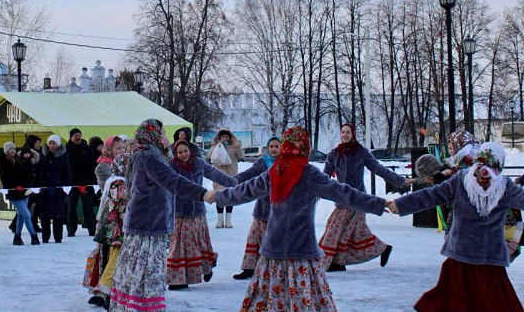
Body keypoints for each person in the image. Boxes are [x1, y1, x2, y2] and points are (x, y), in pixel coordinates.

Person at [208, 126, 388, 312]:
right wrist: (379, 204)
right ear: (304, 147)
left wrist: (219, 197)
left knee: (270, 298)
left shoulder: (276, 171)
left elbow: (246, 190)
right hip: (301, 252)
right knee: (304, 300)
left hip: (274, 252)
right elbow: (344, 193)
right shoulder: (308, 173)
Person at [388, 142, 524, 312]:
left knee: (455, 302)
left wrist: (401, 204)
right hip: (490, 258)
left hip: (461, 254)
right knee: (495, 304)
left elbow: (432, 195)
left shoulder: (463, 178)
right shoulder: (504, 185)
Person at [109, 119, 208, 312]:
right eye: (162, 133)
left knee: (135, 271)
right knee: (147, 274)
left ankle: (129, 306)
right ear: (153, 135)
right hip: (149, 227)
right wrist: (202, 193)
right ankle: (144, 308)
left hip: (141, 224)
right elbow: (173, 181)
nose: (165, 138)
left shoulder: (142, 155)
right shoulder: (150, 158)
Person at [318, 123, 414, 271]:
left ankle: (335, 262)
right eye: (343, 132)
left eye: (348, 132)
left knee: (337, 230)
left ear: (353, 134)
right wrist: (314, 188)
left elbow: (378, 168)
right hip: (342, 199)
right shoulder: (334, 154)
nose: (345, 135)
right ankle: (377, 250)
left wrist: (401, 181)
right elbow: (325, 176)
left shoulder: (361, 152)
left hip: (358, 200)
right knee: (350, 232)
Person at [167, 140, 237, 290]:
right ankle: (178, 279)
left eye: (185, 151)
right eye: (180, 152)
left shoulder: (198, 163)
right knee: (178, 246)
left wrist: (234, 183)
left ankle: (207, 265)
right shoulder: (171, 166)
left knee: (199, 243)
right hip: (179, 211)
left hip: (197, 210)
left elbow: (216, 174)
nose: (183, 154)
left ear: (190, 150)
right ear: (175, 154)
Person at [232, 136, 281, 280]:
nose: (274, 149)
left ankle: (273, 270)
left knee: (274, 240)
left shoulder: (285, 163)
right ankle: (249, 268)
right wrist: (235, 179)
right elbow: (250, 173)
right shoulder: (262, 162)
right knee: (254, 237)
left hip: (280, 209)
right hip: (263, 207)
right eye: (271, 146)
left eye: (277, 146)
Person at [88, 153, 130, 308]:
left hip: (116, 226)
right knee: (114, 258)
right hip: (118, 227)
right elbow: (122, 198)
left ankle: (108, 291)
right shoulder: (117, 182)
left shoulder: (118, 181)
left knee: (112, 257)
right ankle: (106, 289)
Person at [0, 142, 40, 246]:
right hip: (14, 193)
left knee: (21, 214)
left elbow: (26, 174)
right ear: (6, 151)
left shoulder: (20, 160)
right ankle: (33, 236)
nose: (12, 151)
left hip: (23, 191)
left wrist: (26, 186)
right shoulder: (4, 162)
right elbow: (5, 179)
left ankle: (17, 236)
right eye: (10, 149)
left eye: (14, 149)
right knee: (27, 214)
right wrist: (15, 186)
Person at [206, 128, 244, 228]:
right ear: (220, 137)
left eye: (226, 137)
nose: (225, 139)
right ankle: (219, 220)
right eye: (223, 137)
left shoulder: (234, 147)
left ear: (230, 137)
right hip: (218, 175)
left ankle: (228, 220)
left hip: (231, 175)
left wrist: (237, 146)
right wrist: (215, 146)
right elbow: (209, 157)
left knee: (230, 196)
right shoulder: (216, 146)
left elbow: (241, 156)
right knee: (218, 196)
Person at [37, 135, 71, 244]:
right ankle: (45, 237)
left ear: (58, 144)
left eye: (54, 143)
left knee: (58, 215)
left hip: (58, 189)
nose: (52, 145)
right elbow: (39, 171)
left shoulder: (64, 156)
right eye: (50, 143)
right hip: (45, 189)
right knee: (44, 215)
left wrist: (67, 186)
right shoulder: (42, 156)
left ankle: (58, 237)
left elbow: (67, 172)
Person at [66, 128, 97, 237]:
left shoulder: (87, 149)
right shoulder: (67, 149)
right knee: (71, 208)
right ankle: (71, 229)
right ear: (71, 137)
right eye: (76, 136)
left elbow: (93, 165)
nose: (78, 138)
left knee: (88, 208)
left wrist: (92, 180)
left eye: (79, 135)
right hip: (71, 184)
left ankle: (92, 229)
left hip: (86, 184)